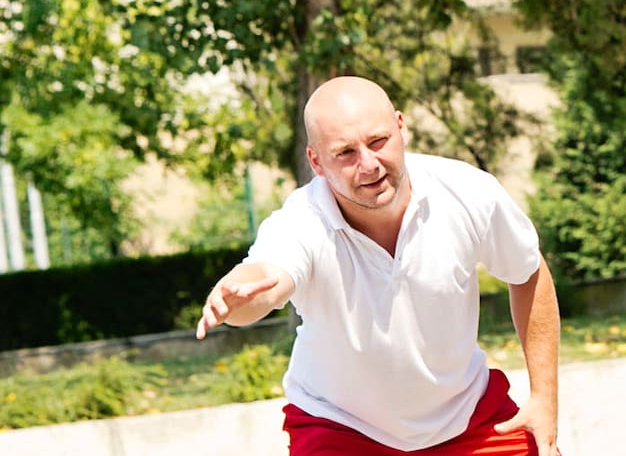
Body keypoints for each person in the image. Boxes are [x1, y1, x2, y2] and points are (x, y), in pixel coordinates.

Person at [196, 76, 561, 456]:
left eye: (377, 142)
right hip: (343, 427)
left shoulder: (467, 192)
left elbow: (528, 272)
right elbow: (267, 277)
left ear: (401, 128)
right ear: (316, 161)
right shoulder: (301, 221)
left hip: (465, 416)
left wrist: (544, 399)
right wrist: (236, 296)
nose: (369, 165)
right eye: (345, 153)